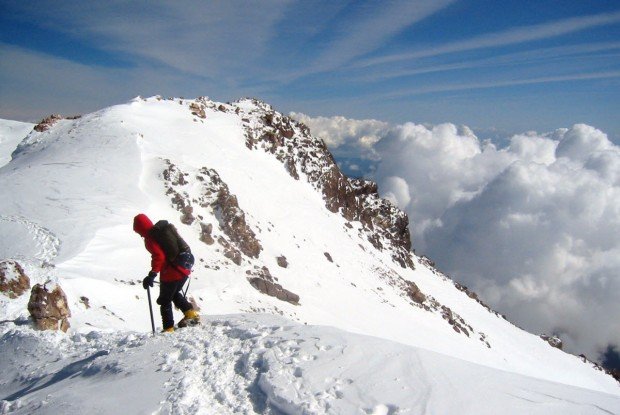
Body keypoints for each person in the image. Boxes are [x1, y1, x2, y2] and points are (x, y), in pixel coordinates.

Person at [133, 213, 199, 332]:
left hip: (172, 271)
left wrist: (152, 274)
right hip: (184, 266)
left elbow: (159, 256)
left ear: (140, 229)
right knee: (173, 294)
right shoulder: (160, 232)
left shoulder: (150, 238)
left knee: (164, 300)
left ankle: (168, 328)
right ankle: (191, 314)